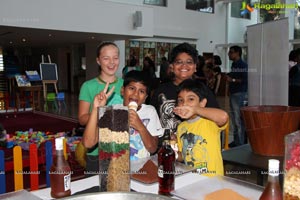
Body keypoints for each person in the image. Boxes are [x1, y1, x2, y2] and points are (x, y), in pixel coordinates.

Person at [82, 70, 163, 171]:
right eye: (131, 88)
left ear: (145, 97)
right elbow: (88, 143)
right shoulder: (112, 111)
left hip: (141, 171)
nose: (135, 94)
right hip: (114, 171)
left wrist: (140, 126)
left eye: (141, 91)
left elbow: (152, 148)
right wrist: (95, 109)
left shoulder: (149, 111)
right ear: (122, 90)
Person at [150, 43, 219, 135]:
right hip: (166, 146)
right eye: (179, 62)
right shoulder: (161, 91)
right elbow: (152, 121)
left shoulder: (203, 91)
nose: (184, 66)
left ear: (195, 67)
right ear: (171, 67)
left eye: (189, 62)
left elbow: (219, 118)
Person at [78, 41, 124, 172]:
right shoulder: (88, 86)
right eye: (106, 58)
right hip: (96, 150)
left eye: (115, 58)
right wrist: (103, 114)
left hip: (121, 147)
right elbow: (82, 118)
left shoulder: (126, 85)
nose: (111, 62)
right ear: (98, 61)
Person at [173, 79, 229, 177]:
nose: (184, 104)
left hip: (213, 179)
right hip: (192, 177)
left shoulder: (209, 121)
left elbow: (223, 117)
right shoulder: (181, 127)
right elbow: (183, 156)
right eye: (181, 100)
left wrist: (195, 110)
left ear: (202, 103)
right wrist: (174, 153)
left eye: (191, 99)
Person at [226, 45, 248, 147]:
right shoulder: (234, 64)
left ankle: (240, 142)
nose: (229, 54)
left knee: (238, 119)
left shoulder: (242, 65)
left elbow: (245, 80)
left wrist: (233, 80)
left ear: (237, 53)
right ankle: (236, 141)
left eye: (231, 52)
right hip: (234, 93)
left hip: (239, 94)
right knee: (234, 118)